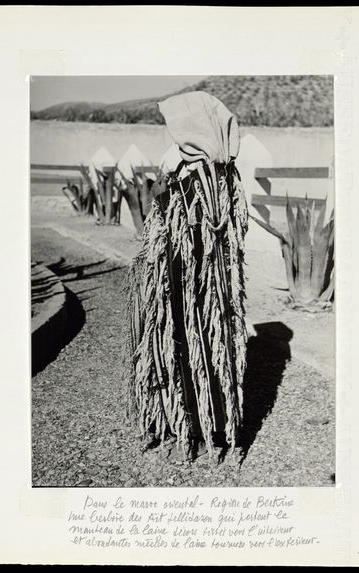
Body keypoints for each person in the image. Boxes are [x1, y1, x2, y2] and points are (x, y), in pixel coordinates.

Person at [125, 91, 249, 460]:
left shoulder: (182, 161)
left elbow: (167, 219)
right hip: (215, 281)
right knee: (216, 344)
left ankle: (196, 431)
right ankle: (217, 425)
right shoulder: (224, 163)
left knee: (188, 341)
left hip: (186, 279)